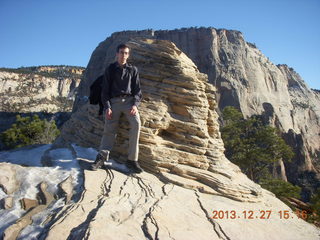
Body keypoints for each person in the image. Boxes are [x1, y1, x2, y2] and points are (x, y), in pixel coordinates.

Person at [91, 43, 143, 173]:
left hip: (129, 102)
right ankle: (101, 158)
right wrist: (107, 107)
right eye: (121, 52)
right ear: (117, 54)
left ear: (128, 55)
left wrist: (135, 105)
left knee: (136, 124)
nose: (123, 55)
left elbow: (137, 91)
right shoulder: (110, 69)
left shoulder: (133, 70)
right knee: (109, 129)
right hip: (113, 102)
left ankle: (132, 160)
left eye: (126, 53)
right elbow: (105, 91)